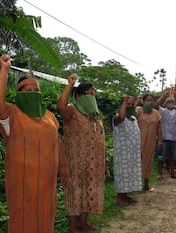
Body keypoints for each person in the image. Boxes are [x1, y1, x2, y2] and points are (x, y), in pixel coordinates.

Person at [0, 54, 67, 233]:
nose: (32, 92)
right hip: (23, 185)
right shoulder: (12, 114)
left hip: (47, 183)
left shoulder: (49, 116)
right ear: (18, 94)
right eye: (26, 89)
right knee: (22, 221)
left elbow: (57, 142)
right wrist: (4, 69)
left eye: (35, 89)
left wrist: (63, 166)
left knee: (46, 219)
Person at [57, 75, 106, 233]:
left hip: (93, 164)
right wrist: (70, 85)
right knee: (74, 193)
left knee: (88, 191)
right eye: (88, 94)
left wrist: (103, 159)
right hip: (74, 163)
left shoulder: (94, 115)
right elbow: (60, 106)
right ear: (78, 96)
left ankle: (83, 222)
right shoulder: (71, 110)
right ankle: (73, 226)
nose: (91, 97)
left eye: (93, 95)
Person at [112, 94, 142, 206]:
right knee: (122, 174)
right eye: (126, 104)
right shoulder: (117, 118)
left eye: (130, 104)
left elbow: (131, 111)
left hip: (132, 153)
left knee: (130, 174)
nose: (129, 106)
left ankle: (126, 196)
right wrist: (124, 102)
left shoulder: (133, 118)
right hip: (123, 153)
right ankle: (120, 197)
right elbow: (122, 117)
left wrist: (135, 103)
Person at [136, 93, 162, 190]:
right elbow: (129, 115)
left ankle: (146, 184)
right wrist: (136, 102)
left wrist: (160, 140)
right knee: (137, 161)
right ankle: (135, 184)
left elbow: (159, 128)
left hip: (151, 141)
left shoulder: (156, 113)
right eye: (148, 100)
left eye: (152, 100)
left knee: (148, 160)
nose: (150, 102)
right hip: (138, 141)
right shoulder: (138, 110)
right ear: (143, 101)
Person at [155, 92, 176, 179]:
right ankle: (160, 173)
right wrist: (164, 96)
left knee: (173, 157)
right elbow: (156, 105)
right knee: (161, 156)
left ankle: (172, 173)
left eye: (172, 101)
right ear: (166, 103)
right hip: (163, 137)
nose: (171, 103)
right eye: (169, 101)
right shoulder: (163, 111)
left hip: (174, 138)